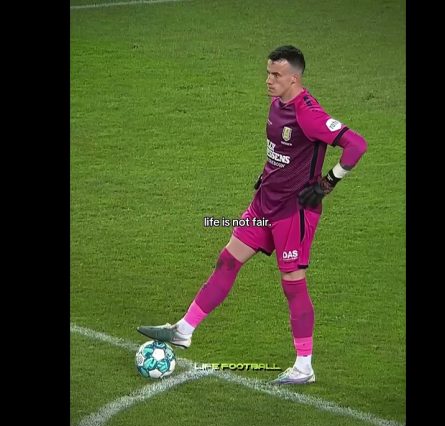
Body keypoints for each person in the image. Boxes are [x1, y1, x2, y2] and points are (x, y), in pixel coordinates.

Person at [138, 45, 367, 384]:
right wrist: (266, 176)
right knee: (227, 260)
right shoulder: (277, 104)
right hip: (264, 205)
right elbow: (281, 153)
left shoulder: (309, 113)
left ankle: (304, 366)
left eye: (276, 75)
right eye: (268, 73)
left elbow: (356, 145)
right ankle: (184, 330)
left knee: (293, 284)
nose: (268, 80)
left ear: (294, 78)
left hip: (292, 213)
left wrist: (328, 183)